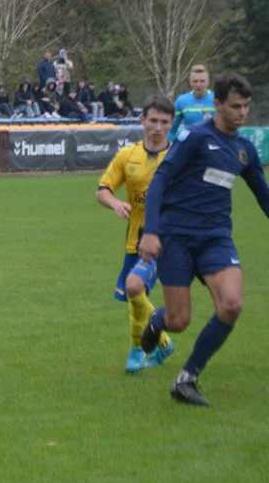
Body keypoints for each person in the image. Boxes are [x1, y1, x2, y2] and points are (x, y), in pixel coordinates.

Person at [137, 74, 269, 406]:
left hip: (216, 239)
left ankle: (187, 379)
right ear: (218, 104)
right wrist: (151, 231)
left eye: (246, 107)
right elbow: (160, 181)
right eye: (235, 106)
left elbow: (263, 196)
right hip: (177, 236)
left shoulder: (245, 150)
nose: (242, 113)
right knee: (179, 322)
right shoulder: (195, 138)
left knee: (232, 305)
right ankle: (158, 320)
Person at [96, 95, 176, 373]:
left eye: (164, 122)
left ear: (171, 124)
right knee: (134, 292)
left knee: (134, 289)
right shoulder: (127, 156)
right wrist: (116, 202)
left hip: (171, 240)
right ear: (142, 120)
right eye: (153, 120)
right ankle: (161, 342)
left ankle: (139, 348)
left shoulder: (180, 157)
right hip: (138, 240)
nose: (158, 127)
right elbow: (102, 189)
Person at [169, 65, 215, 141]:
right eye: (195, 81)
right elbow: (172, 129)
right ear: (190, 82)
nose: (198, 85)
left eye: (202, 81)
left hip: (212, 146)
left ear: (208, 82)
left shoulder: (217, 99)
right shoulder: (181, 100)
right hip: (190, 146)